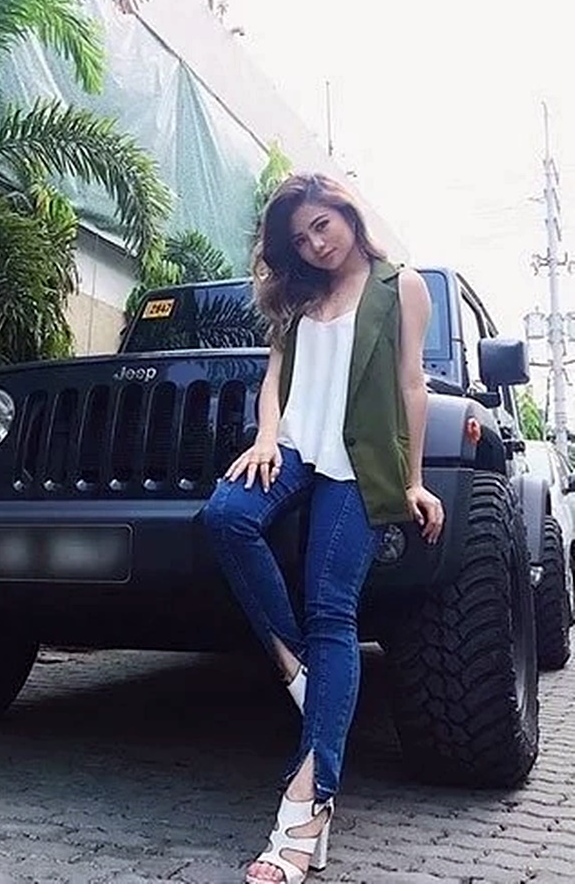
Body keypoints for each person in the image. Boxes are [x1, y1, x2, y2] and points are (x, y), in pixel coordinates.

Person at [202, 173, 444, 884]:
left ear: (347, 214)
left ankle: (304, 812)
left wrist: (412, 480)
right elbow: (275, 373)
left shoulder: (401, 287)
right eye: (300, 238)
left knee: (332, 612)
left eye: (321, 227)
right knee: (226, 516)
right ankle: (297, 668)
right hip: (294, 449)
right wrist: (265, 438)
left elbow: (411, 384)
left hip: (359, 465)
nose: (314, 245)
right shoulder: (301, 294)